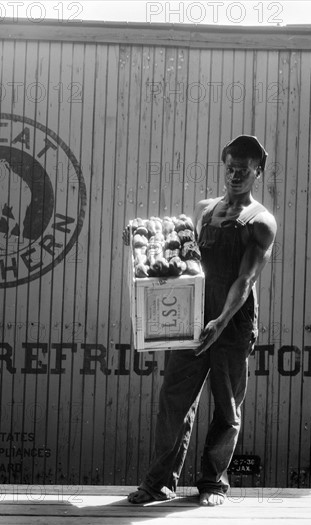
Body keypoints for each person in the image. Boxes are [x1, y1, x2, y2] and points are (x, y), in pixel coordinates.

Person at [128, 135, 277, 506]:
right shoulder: (204, 210)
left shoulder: (261, 221)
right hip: (192, 322)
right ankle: (159, 483)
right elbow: (182, 261)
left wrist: (222, 320)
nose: (235, 175)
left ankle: (213, 483)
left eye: (243, 170)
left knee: (226, 407)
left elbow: (246, 279)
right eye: (230, 168)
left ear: (258, 171)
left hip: (232, 325)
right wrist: (137, 246)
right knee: (174, 402)